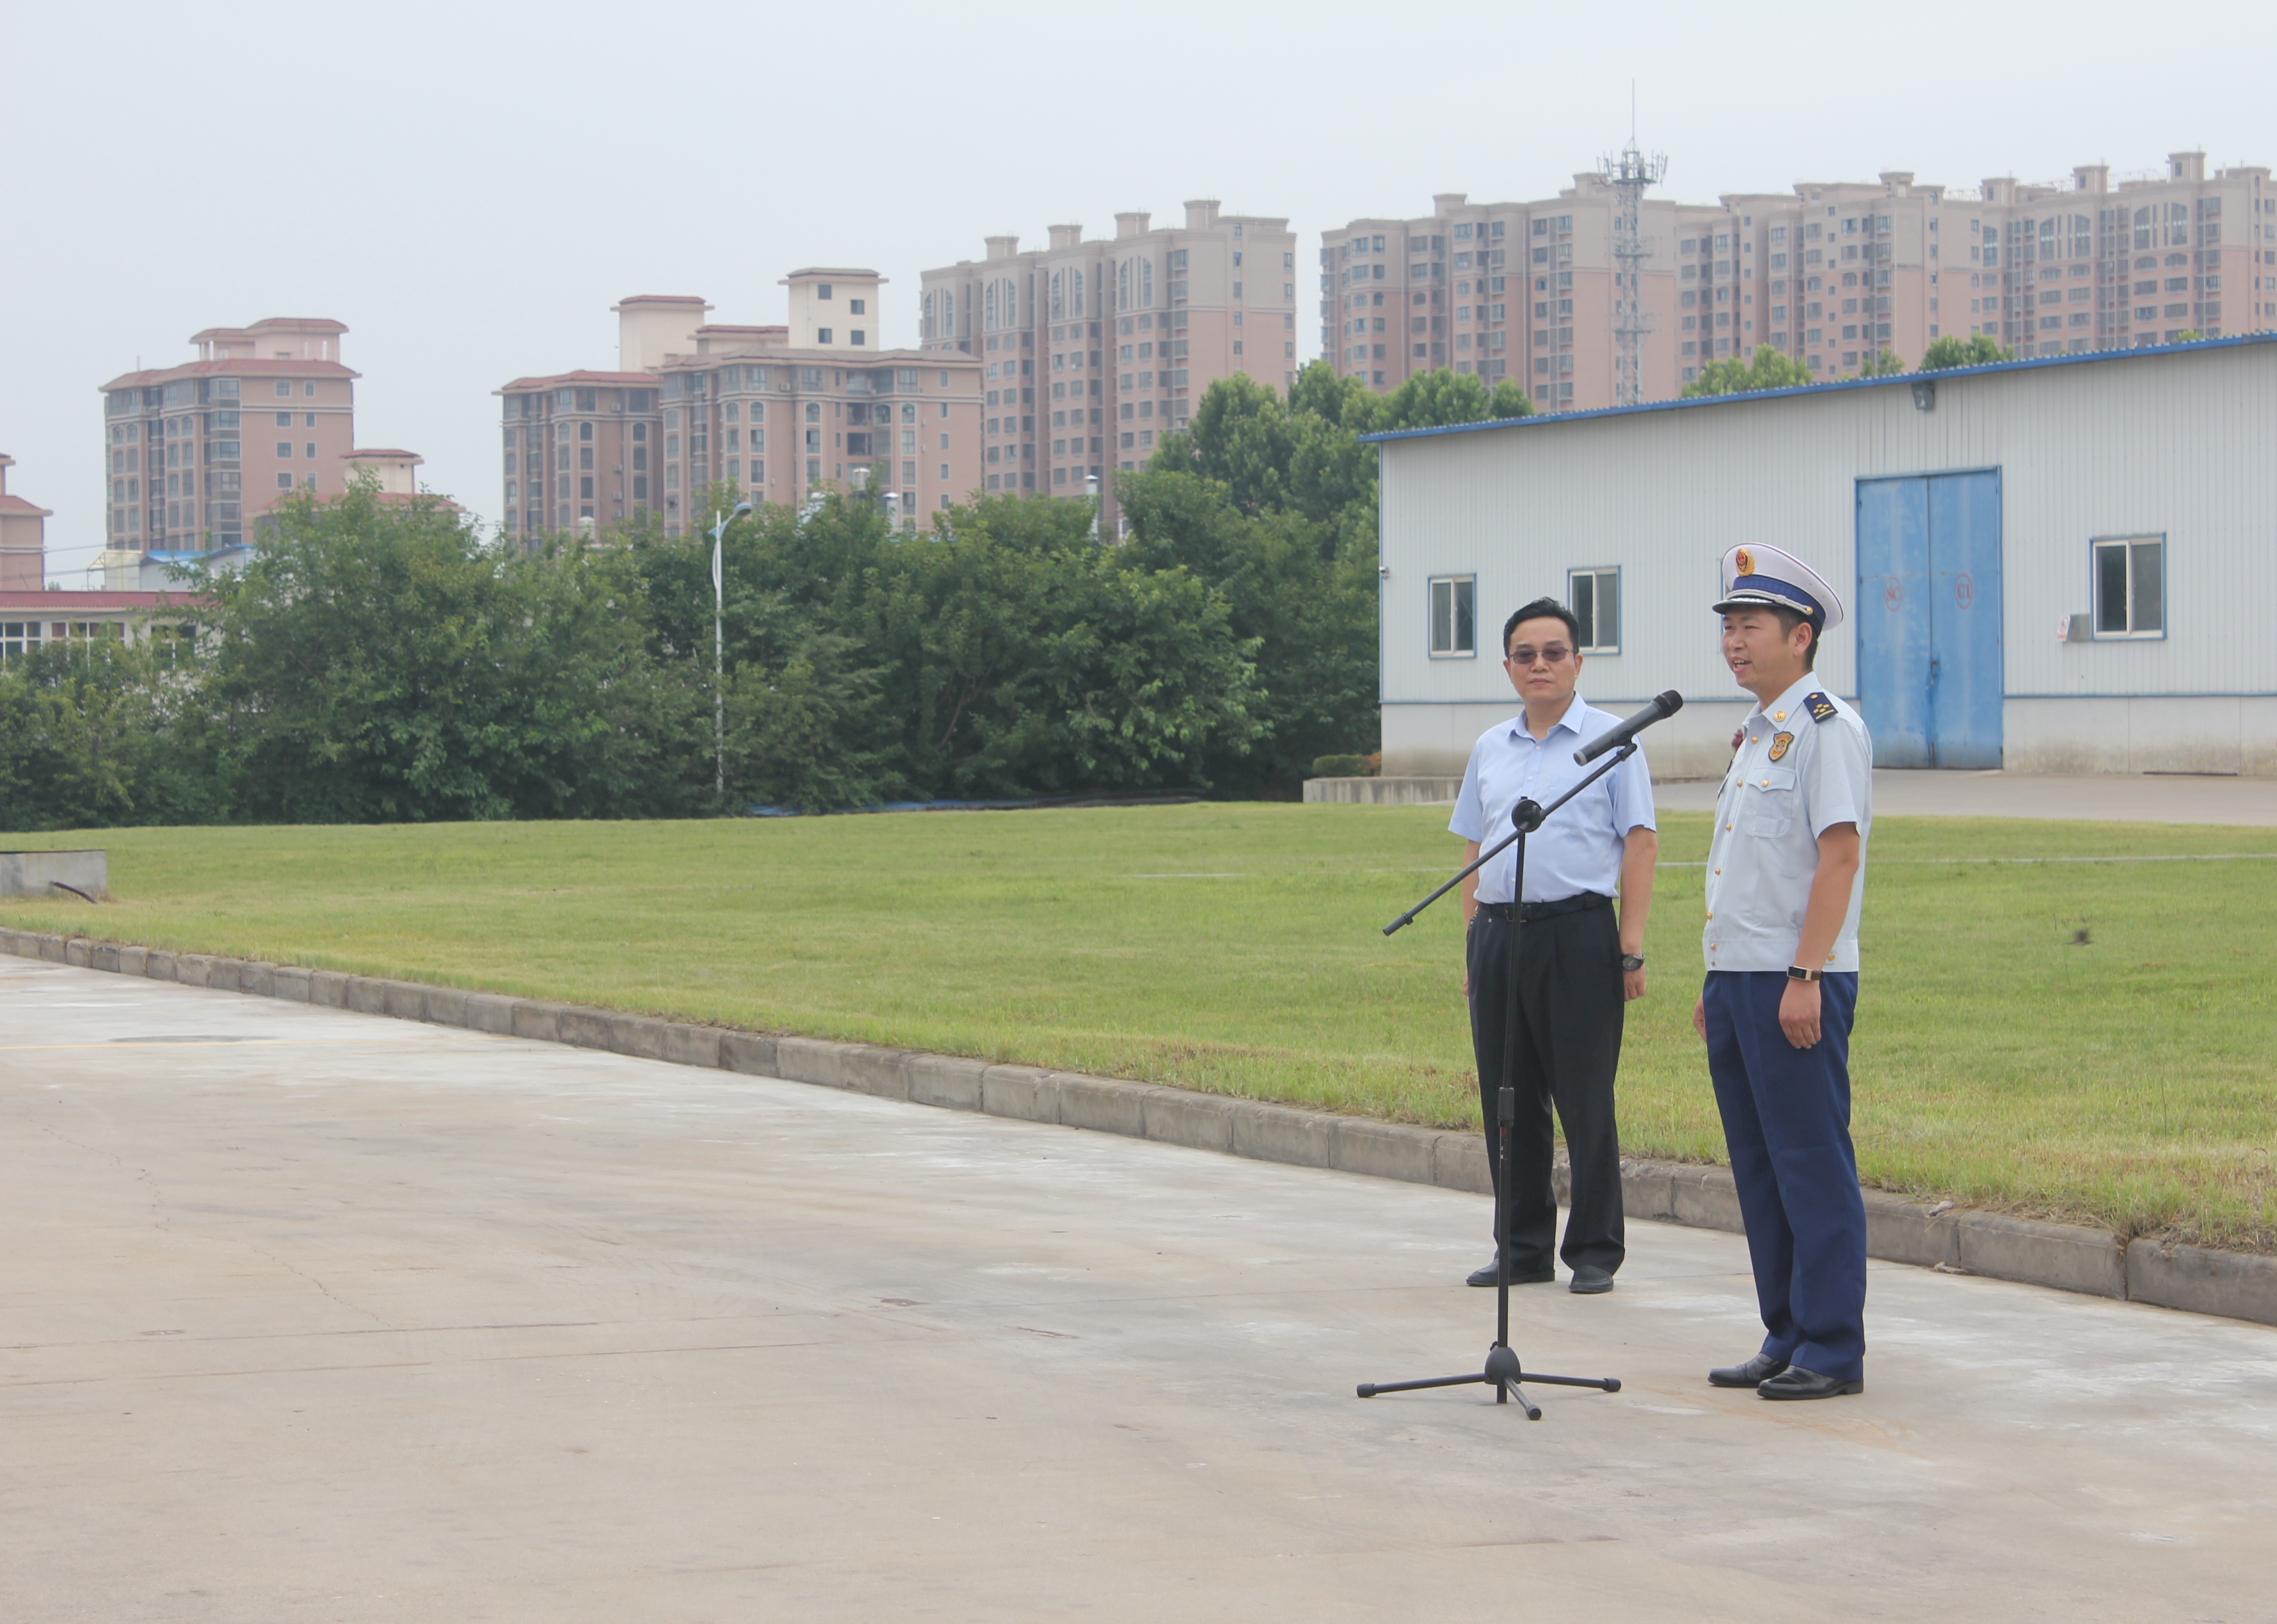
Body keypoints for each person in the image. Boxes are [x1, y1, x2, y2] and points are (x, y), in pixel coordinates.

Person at [1693, 544, 1874, 1400]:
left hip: (1794, 979)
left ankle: (1832, 1347)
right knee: (1759, 1165)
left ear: (1800, 636)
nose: (1734, 641)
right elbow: (1745, 874)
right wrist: (1715, 980)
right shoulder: (1756, 736)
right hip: (1740, 979)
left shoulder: (1825, 730)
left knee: (1808, 1161)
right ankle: (1785, 1330)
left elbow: (1836, 859)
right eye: (1727, 626)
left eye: (1750, 626)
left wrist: (1805, 974)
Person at [1450, 597, 1658, 1295]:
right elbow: (1476, 849)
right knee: (1506, 1099)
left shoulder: (1614, 739)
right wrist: (1472, 945)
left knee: (1584, 1097)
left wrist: (1629, 945)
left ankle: (1594, 1249)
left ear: (1577, 661)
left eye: (1552, 653)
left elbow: (1639, 842)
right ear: (1507, 665)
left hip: (1578, 935)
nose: (1538, 666)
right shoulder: (1489, 748)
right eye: (1524, 655)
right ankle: (1521, 1246)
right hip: (1499, 935)